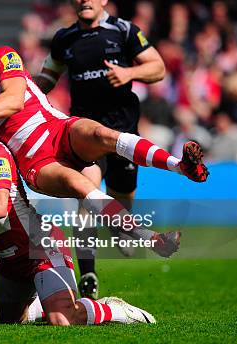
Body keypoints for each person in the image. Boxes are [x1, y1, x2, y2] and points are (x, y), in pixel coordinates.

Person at [0, 20, 198, 298]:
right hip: (34, 162)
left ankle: (179, 166)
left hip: (57, 129)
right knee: (81, 186)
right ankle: (151, 239)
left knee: (102, 134)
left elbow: (14, 99)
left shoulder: (3, 56)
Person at [0, 136, 156, 326]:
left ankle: (112, 308)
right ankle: (53, 299)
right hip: (9, 259)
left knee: (63, 320)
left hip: (40, 247)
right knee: (11, 321)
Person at [33, 0, 167, 296]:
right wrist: (23, 91)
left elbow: (158, 68)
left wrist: (129, 74)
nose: (84, 1)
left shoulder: (123, 31)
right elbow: (47, 77)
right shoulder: (64, 38)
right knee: (88, 199)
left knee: (123, 202)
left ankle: (121, 228)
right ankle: (89, 274)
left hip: (122, 137)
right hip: (83, 138)